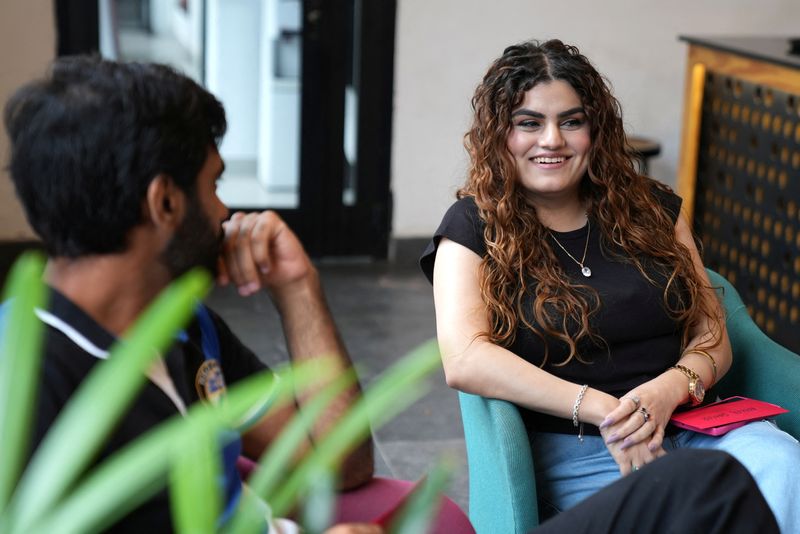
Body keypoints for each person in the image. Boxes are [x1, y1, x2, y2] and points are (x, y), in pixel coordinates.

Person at [420, 39, 800, 532]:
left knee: (782, 463)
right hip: (577, 450)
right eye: (529, 123)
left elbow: (713, 334)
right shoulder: (472, 226)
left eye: (571, 121)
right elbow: (465, 358)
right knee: (685, 513)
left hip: (690, 425)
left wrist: (668, 391)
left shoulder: (652, 209)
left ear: (595, 130)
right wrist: (606, 413)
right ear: (500, 135)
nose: (552, 140)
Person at [2, 55, 388, 533]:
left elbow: (338, 466)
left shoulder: (182, 321)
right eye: (214, 184)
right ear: (165, 202)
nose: (226, 209)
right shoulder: (19, 382)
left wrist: (296, 285)